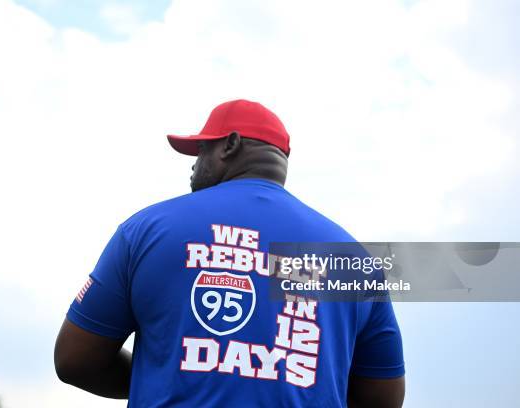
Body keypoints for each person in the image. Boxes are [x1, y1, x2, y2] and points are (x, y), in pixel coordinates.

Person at [54, 99, 405, 407]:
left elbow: (76, 359)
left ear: (230, 145)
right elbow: (384, 397)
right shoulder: (353, 260)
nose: (193, 164)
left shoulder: (147, 229)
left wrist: (170, 376)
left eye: (201, 150)